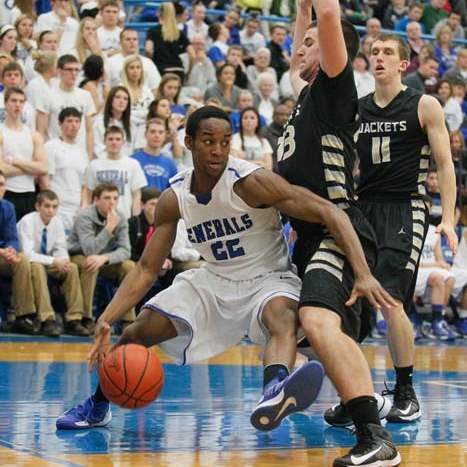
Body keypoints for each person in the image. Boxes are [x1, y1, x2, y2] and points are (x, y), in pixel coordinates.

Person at [56, 106, 395, 434]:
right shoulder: (175, 197)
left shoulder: (251, 182)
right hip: (214, 279)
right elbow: (146, 268)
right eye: (208, 141)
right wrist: (107, 319)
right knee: (136, 332)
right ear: (189, 142)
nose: (218, 150)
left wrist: (363, 273)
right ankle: (97, 405)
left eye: (225, 142)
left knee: (283, 317)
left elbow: (329, 211)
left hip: (267, 278)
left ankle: (275, 389)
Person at [278, 0, 400, 464]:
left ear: (332, 53)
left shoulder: (333, 89)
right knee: (296, 324)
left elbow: (329, 18)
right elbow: (299, 50)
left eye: (311, 43)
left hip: (338, 229)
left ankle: (375, 437)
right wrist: (301, 12)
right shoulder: (305, 97)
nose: (300, 48)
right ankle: (359, 402)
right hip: (308, 237)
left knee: (315, 320)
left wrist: (318, 16)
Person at [326, 34, 457, 428]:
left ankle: (405, 393)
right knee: (349, 302)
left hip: (406, 207)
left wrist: (448, 219)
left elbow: (445, 164)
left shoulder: (423, 104)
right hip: (364, 207)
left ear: (403, 64)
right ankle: (355, 395)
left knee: (390, 298)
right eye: (374, 52)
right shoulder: (359, 108)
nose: (378, 57)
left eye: (387, 52)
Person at [17, 190, 89, 337]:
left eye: (54, 207)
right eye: (47, 206)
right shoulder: (27, 221)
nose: (51, 210)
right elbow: (28, 254)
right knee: (37, 267)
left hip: (48, 261)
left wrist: (63, 261)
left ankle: (74, 320)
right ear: (38, 206)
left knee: (72, 268)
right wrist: (54, 261)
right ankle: (47, 319)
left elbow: (61, 248)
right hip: (27, 264)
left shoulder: (57, 222)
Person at [67, 182, 137, 331]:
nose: (112, 202)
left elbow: (126, 251)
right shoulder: (84, 216)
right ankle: (86, 318)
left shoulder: (120, 217)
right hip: (79, 255)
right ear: (96, 200)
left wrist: (104, 258)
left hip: (104, 259)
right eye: (107, 198)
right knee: (90, 263)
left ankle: (127, 320)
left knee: (130, 266)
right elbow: (89, 249)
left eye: (115, 198)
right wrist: (109, 227)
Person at [36, 54, 96, 160]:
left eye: (76, 70)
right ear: (59, 71)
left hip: (80, 152)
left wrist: (89, 156)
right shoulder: (47, 96)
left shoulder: (85, 96)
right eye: (69, 69)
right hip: (56, 153)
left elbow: (89, 130)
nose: (73, 73)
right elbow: (41, 131)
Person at [0, 87, 47, 220]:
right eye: (14, 101)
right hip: (7, 192)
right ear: (5, 103)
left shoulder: (33, 135)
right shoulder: (1, 132)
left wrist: (15, 161)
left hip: (29, 193)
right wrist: (31, 168)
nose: (18, 105)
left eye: (21, 101)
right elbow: (2, 169)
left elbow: (43, 167)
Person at [0, 169, 37, 335]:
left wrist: (11, 250)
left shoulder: (8, 207)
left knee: (21, 259)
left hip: (3, 255)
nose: (0, 188)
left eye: (2, 185)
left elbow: (12, 238)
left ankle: (23, 316)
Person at [40, 107, 88, 232]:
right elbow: (45, 180)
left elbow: (84, 184)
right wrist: (50, 207)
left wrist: (83, 206)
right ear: (60, 124)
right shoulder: (51, 147)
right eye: (69, 121)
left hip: (76, 210)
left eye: (77, 121)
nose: (74, 125)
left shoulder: (82, 151)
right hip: (58, 209)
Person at [86, 126, 147, 219]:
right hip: (99, 218)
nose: (114, 142)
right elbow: (89, 195)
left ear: (123, 142)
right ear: (104, 141)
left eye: (118, 139)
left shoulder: (133, 164)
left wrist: (135, 219)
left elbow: (136, 195)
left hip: (124, 217)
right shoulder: (94, 165)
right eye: (110, 139)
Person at [131, 118, 178, 191]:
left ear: (165, 136)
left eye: (160, 132)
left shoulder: (170, 164)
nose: (157, 135)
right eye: (153, 132)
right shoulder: (133, 160)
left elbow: (172, 191)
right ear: (145, 134)